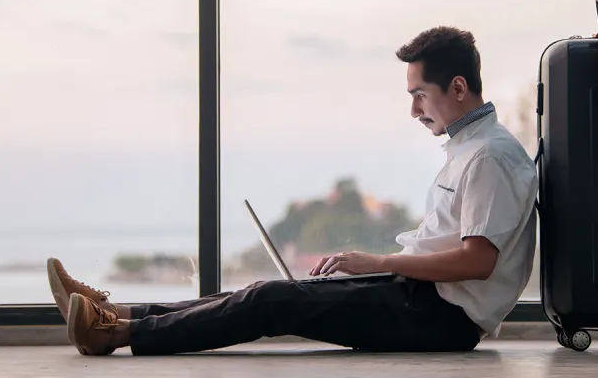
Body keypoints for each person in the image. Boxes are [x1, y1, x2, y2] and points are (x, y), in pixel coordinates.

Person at [48, 26, 538, 356]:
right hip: (419, 297)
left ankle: (115, 333)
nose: (414, 111)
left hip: (440, 318)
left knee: (272, 301)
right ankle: (117, 313)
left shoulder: (490, 156)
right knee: (263, 292)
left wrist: (379, 262)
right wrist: (376, 267)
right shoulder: (470, 148)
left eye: (419, 96)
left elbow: (478, 262)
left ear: (457, 87)